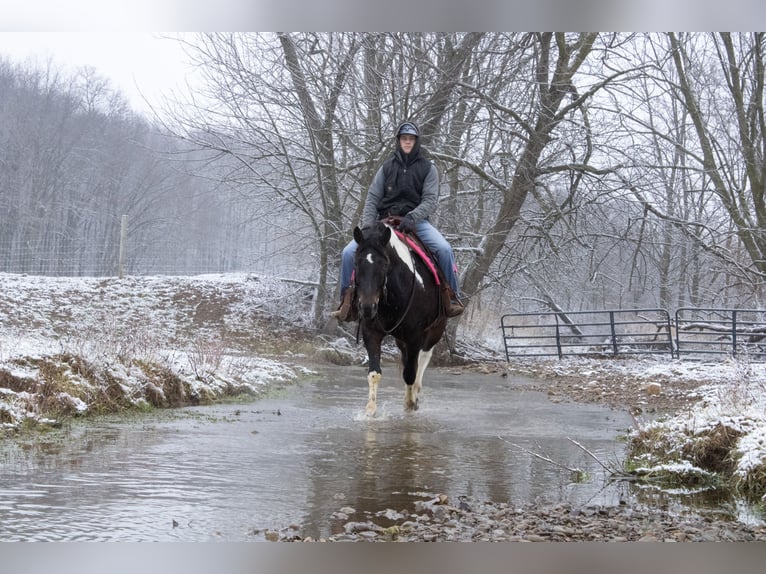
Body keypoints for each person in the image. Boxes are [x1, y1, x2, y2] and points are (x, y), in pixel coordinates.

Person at [331, 121, 464, 322]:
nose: (407, 142)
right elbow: (372, 198)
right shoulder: (387, 167)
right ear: (398, 141)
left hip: (416, 222)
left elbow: (430, 200)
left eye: (411, 139)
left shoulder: (428, 169)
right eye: (404, 139)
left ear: (416, 141)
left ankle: (451, 297)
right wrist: (368, 226)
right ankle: (347, 301)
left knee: (444, 249)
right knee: (348, 252)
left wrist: (412, 217)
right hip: (384, 222)